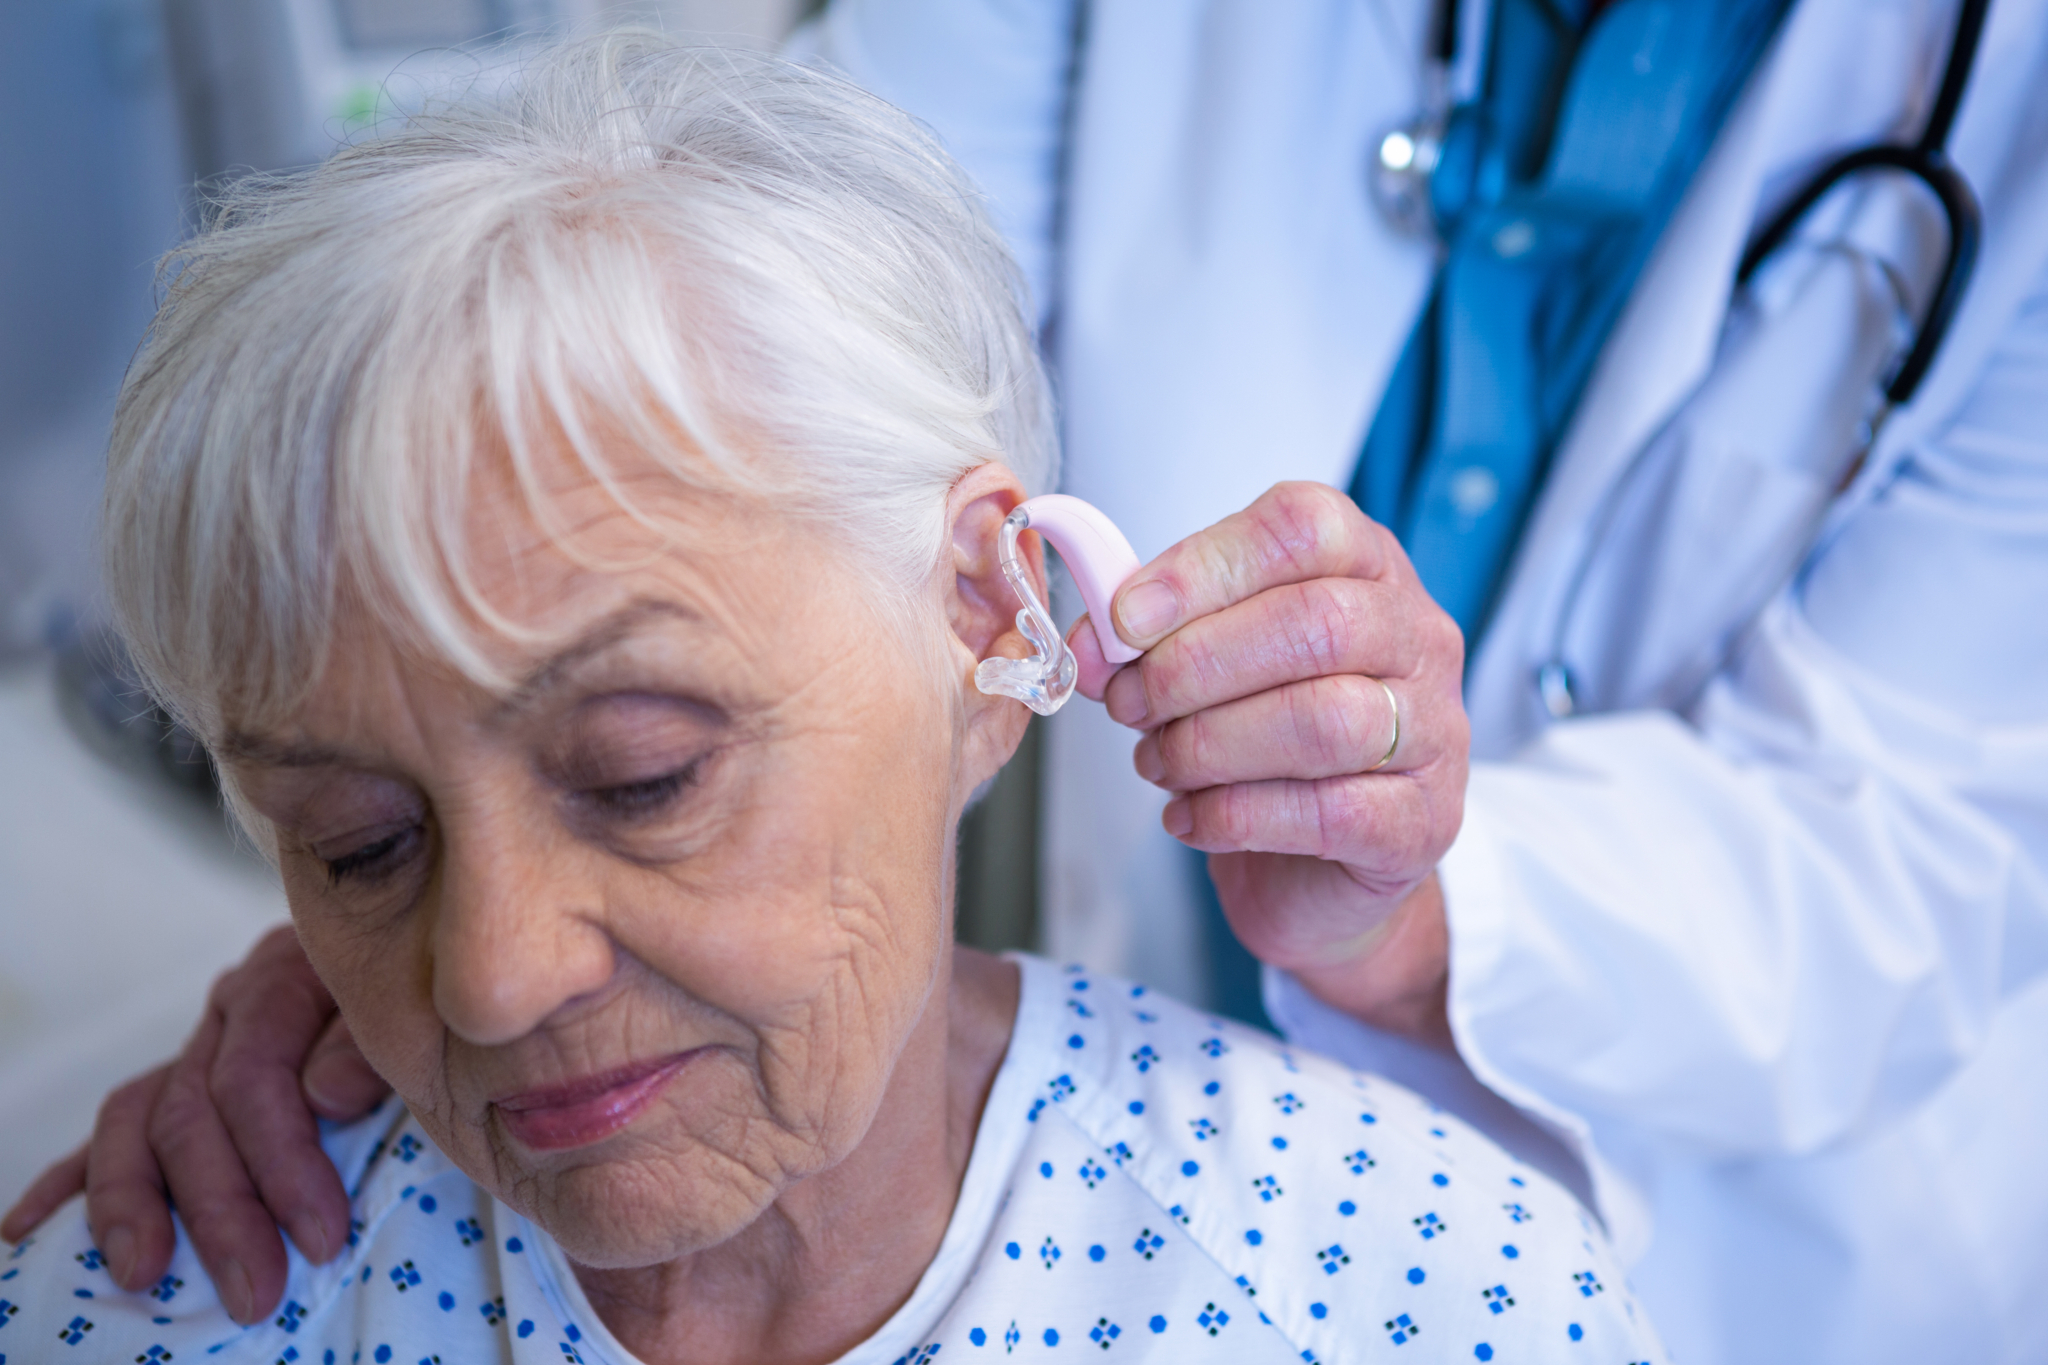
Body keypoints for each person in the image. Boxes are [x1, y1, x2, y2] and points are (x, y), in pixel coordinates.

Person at [10, 0, 2048, 1359]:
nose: (496, 968)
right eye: (353, 836)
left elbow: (1927, 817)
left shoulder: (1447, 1291)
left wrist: (1419, 900)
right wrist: (405, 764)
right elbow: (759, 286)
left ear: (995, 625)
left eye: (637, 774)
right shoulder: (142, 1301)